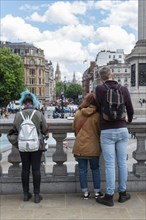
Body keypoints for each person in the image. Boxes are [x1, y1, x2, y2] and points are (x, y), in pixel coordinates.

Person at [95, 66, 134, 207]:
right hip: (122, 129)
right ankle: (123, 194)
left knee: (110, 164)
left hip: (107, 130)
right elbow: (130, 110)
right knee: (122, 162)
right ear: (112, 75)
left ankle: (109, 196)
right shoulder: (123, 89)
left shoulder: (99, 89)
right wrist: (126, 122)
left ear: (101, 77)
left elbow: (98, 107)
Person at [12, 90, 49, 203]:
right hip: (36, 144)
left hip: (23, 144)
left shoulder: (18, 115)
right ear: (34, 102)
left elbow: (15, 130)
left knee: (25, 169)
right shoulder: (38, 113)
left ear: (23, 102)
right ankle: (37, 195)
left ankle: (25, 194)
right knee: (36, 169)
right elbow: (45, 129)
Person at [72, 93, 103, 199]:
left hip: (80, 146)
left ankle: (85, 192)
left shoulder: (78, 113)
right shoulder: (98, 115)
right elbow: (100, 131)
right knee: (95, 169)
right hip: (93, 146)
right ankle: (97, 192)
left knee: (82, 170)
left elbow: (74, 128)